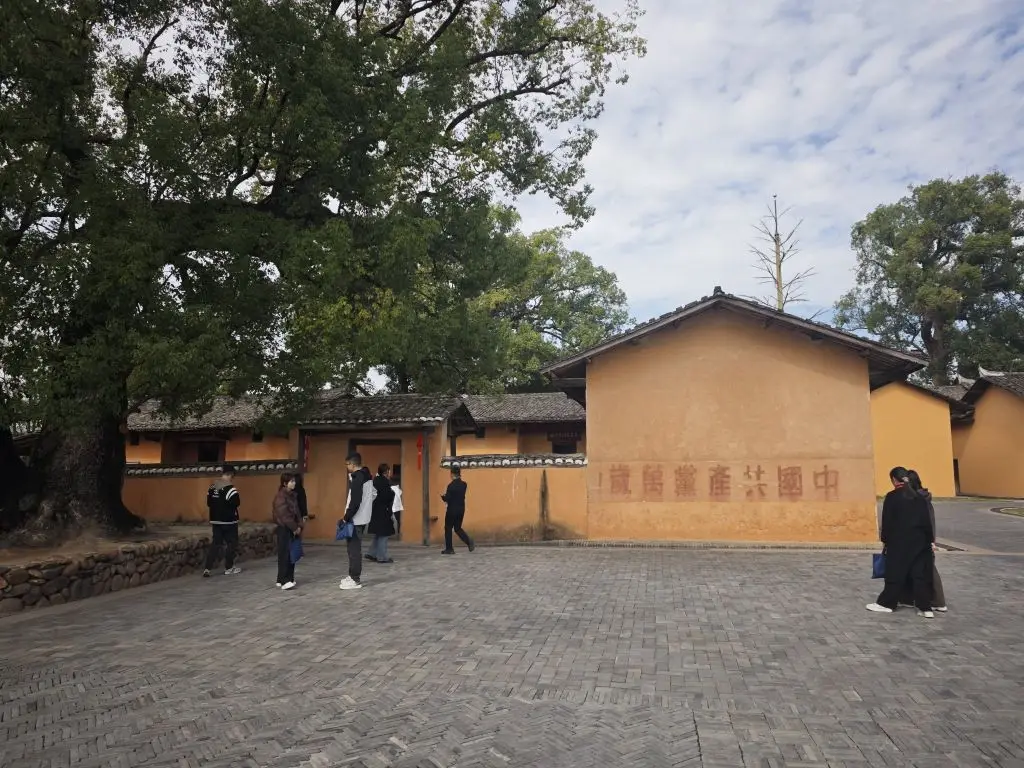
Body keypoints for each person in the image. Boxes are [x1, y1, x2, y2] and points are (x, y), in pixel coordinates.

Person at [867, 466, 935, 618]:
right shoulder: (919, 497)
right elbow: (927, 521)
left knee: (895, 573)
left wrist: (885, 540)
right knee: (919, 574)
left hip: (899, 542)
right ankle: (925, 608)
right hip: (920, 541)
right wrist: (930, 540)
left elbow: (887, 521)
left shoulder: (892, 497)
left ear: (894, 480)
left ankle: (887, 603)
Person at [899, 469, 947, 612]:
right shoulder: (918, 498)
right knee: (908, 566)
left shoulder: (920, 500)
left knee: (929, 569)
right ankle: (907, 598)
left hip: (922, 539)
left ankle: (937, 601)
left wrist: (930, 540)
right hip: (916, 538)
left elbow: (927, 521)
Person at [339, 452, 374, 590]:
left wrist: (346, 517)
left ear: (352, 464)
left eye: (347, 464)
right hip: (363, 517)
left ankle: (355, 579)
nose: (347, 467)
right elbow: (374, 494)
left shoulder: (357, 478)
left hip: (356, 519)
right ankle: (352, 576)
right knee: (354, 548)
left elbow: (355, 501)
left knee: (353, 550)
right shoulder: (367, 476)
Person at [203, 464, 241, 577]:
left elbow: (209, 503)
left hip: (215, 520)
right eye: (232, 476)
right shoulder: (231, 489)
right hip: (229, 521)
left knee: (216, 543)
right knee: (231, 543)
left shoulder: (212, 487)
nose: (232, 478)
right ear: (230, 475)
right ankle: (229, 567)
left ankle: (207, 568)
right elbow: (236, 503)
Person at [366, 463, 396, 563]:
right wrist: (392, 493)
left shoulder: (375, 480)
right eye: (389, 471)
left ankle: (372, 553)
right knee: (384, 534)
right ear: (386, 472)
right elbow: (386, 496)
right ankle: (382, 557)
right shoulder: (384, 482)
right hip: (383, 510)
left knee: (378, 533)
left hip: (375, 510)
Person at [441, 466, 475, 555]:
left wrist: (443, 497)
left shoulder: (450, 486)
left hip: (451, 510)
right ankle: (469, 541)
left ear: (452, 474)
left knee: (448, 528)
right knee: (458, 528)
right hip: (461, 510)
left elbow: (448, 498)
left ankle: (449, 549)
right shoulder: (464, 484)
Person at [391, 470, 404, 540]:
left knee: (394, 519)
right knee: (398, 519)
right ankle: (398, 532)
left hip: (393, 503)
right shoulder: (400, 484)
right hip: (397, 504)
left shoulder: (391, 484)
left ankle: (394, 532)